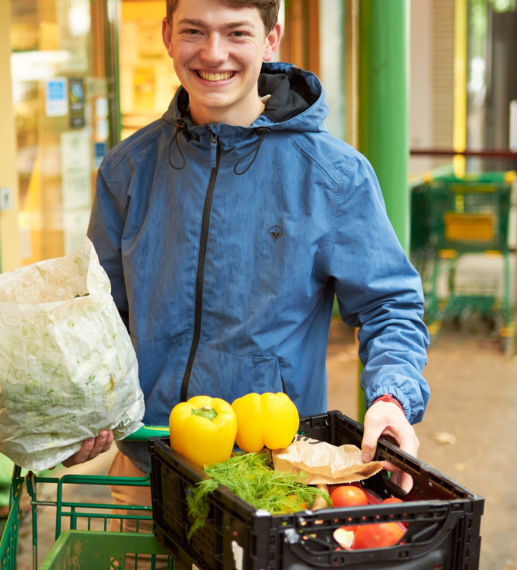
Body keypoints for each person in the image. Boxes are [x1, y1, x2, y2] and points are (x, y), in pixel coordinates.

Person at [67, 0, 430, 505]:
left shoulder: (334, 176)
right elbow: (98, 316)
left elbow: (388, 304)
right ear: (168, 35)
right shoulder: (127, 169)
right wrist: (82, 409)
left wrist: (391, 396)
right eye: (194, 31)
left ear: (270, 39)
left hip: (275, 477)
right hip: (146, 469)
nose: (213, 53)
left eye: (237, 33)